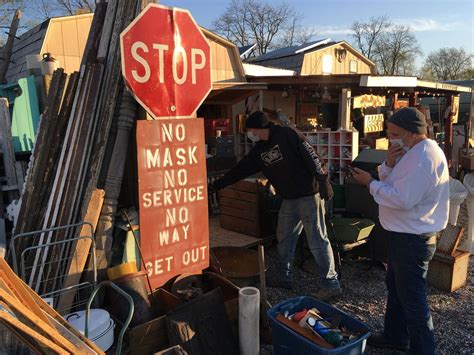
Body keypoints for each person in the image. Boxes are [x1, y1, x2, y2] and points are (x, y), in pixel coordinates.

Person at [211, 111, 341, 300]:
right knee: (284, 237)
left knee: (317, 240)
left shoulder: (287, 134)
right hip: (288, 199)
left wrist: (323, 180)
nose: (250, 134)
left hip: (308, 196)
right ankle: (285, 276)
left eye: (251, 130)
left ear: (259, 128)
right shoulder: (258, 151)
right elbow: (240, 170)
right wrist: (217, 185)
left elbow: (311, 154)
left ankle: (331, 284)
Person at [351, 107, 449, 354]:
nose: (391, 137)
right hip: (402, 235)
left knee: (413, 300)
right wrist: (388, 164)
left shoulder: (425, 156)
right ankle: (396, 336)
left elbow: (403, 199)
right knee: (396, 289)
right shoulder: (411, 151)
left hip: (412, 239)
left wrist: (370, 183)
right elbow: (394, 180)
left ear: (412, 132)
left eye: (394, 133)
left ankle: (424, 349)